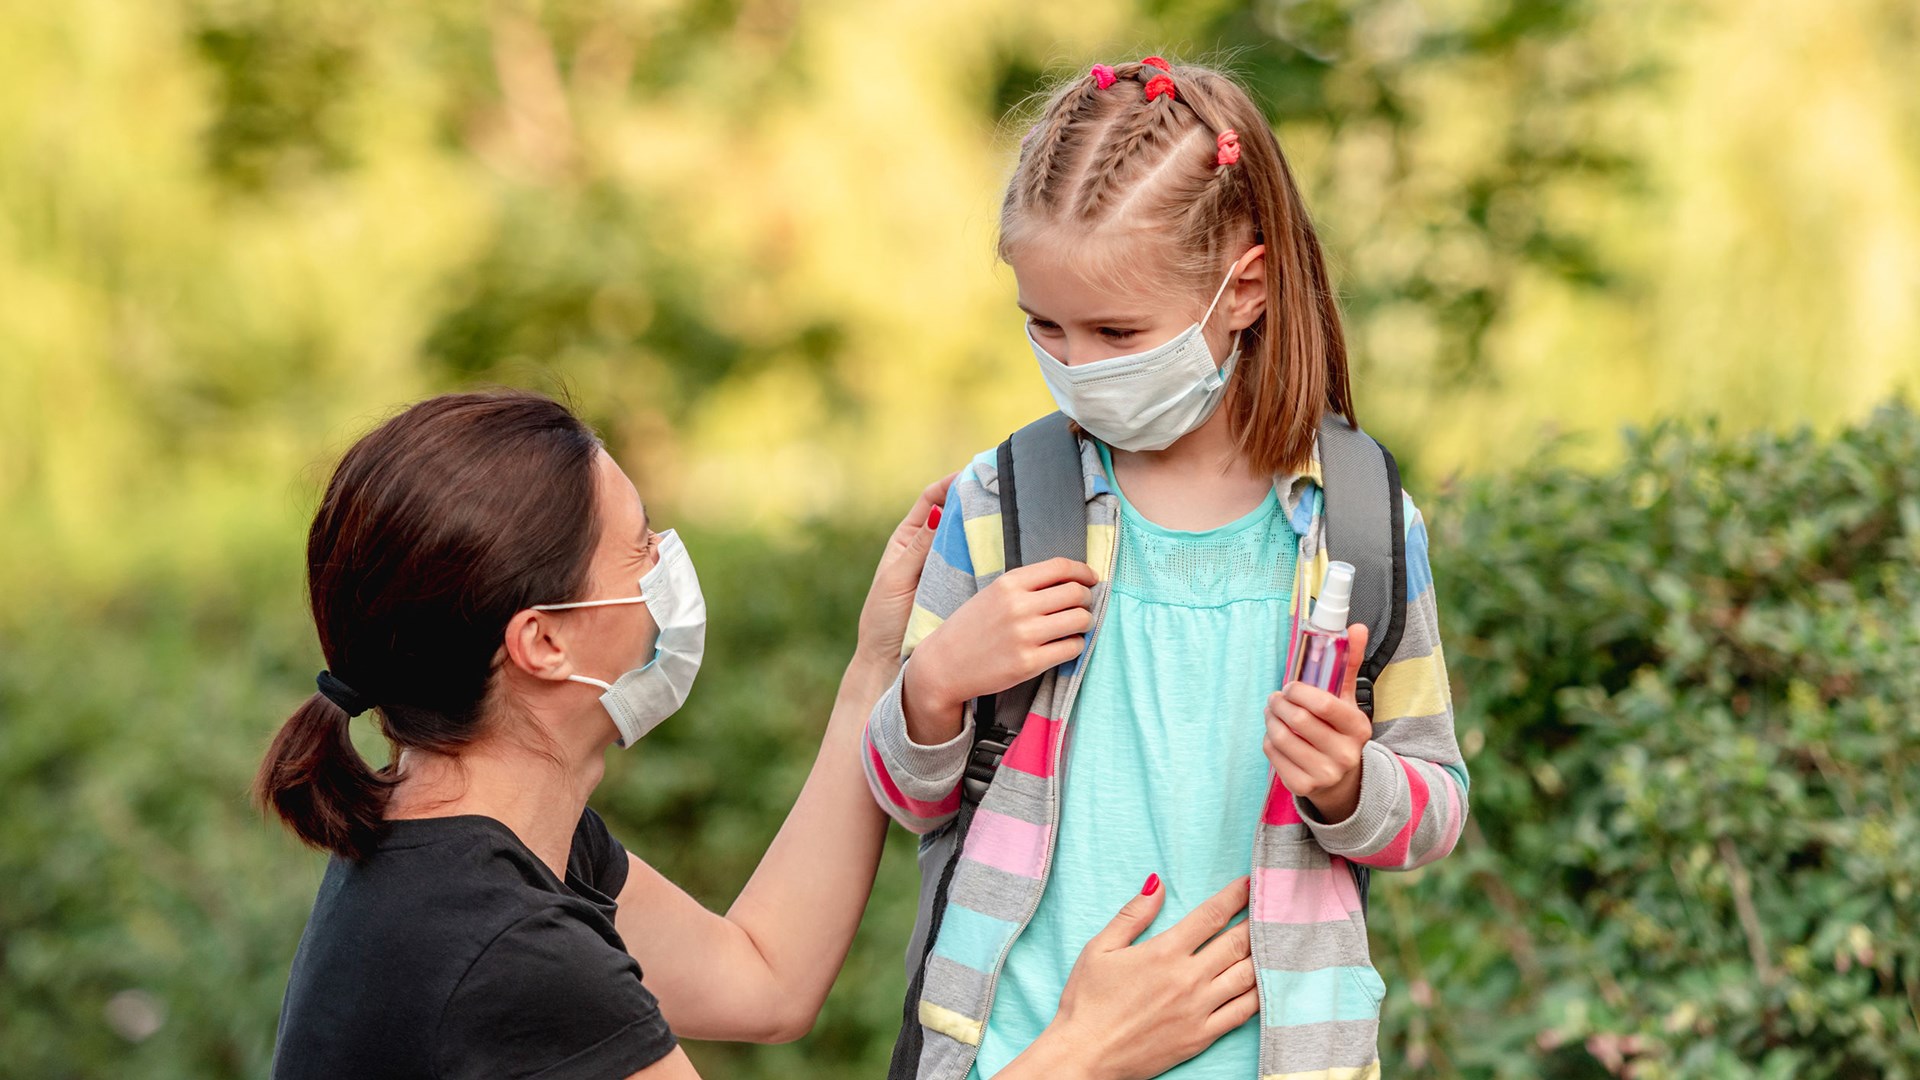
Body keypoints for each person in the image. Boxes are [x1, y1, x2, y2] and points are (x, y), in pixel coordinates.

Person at [257, 389, 1259, 1080]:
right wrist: (1085, 1049)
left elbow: (763, 979)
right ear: (545, 643)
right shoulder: (506, 949)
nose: (665, 571)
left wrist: (879, 667)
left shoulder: (471, 847)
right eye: (640, 545)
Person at [864, 57, 1470, 1079]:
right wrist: (935, 684)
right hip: (1017, 1052)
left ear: (1247, 288)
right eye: (1044, 326)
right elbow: (907, 798)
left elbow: (1436, 806)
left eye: (1117, 332)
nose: (1076, 364)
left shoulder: (1361, 528)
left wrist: (1348, 785)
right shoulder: (1001, 505)